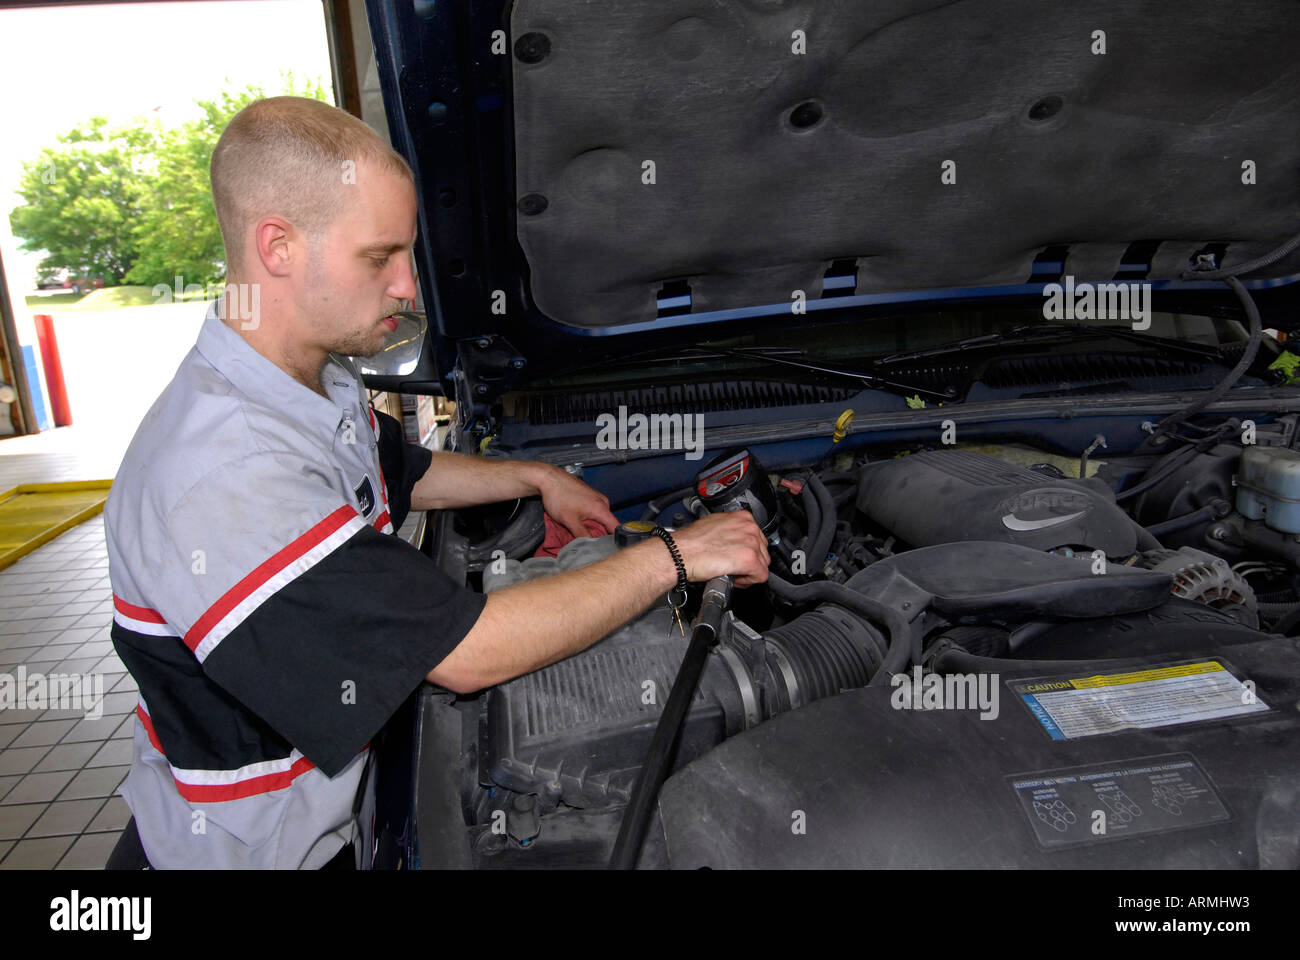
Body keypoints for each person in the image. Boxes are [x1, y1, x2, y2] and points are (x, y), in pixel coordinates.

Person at [103, 96, 769, 869]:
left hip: (338, 811)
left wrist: (536, 477)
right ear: (278, 247)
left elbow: (407, 472)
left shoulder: (309, 383)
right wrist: (676, 555)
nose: (409, 288)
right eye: (379, 257)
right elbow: (466, 653)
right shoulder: (227, 474)